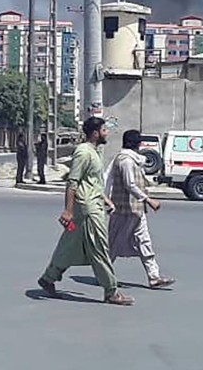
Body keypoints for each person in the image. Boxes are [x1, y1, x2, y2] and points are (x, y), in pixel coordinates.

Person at [37, 116, 134, 306]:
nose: (107, 133)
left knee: (68, 244)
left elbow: (93, 183)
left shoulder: (94, 152)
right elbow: (73, 182)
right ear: (96, 133)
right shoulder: (83, 153)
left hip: (91, 205)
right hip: (88, 210)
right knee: (99, 248)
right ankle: (111, 290)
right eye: (104, 130)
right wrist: (68, 211)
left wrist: (105, 199)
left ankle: (48, 278)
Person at [105, 129, 174, 289]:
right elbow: (130, 185)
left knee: (145, 241)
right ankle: (104, 274)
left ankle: (154, 276)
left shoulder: (132, 160)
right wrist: (148, 200)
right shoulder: (125, 161)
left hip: (136, 211)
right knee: (113, 244)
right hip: (123, 210)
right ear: (137, 144)